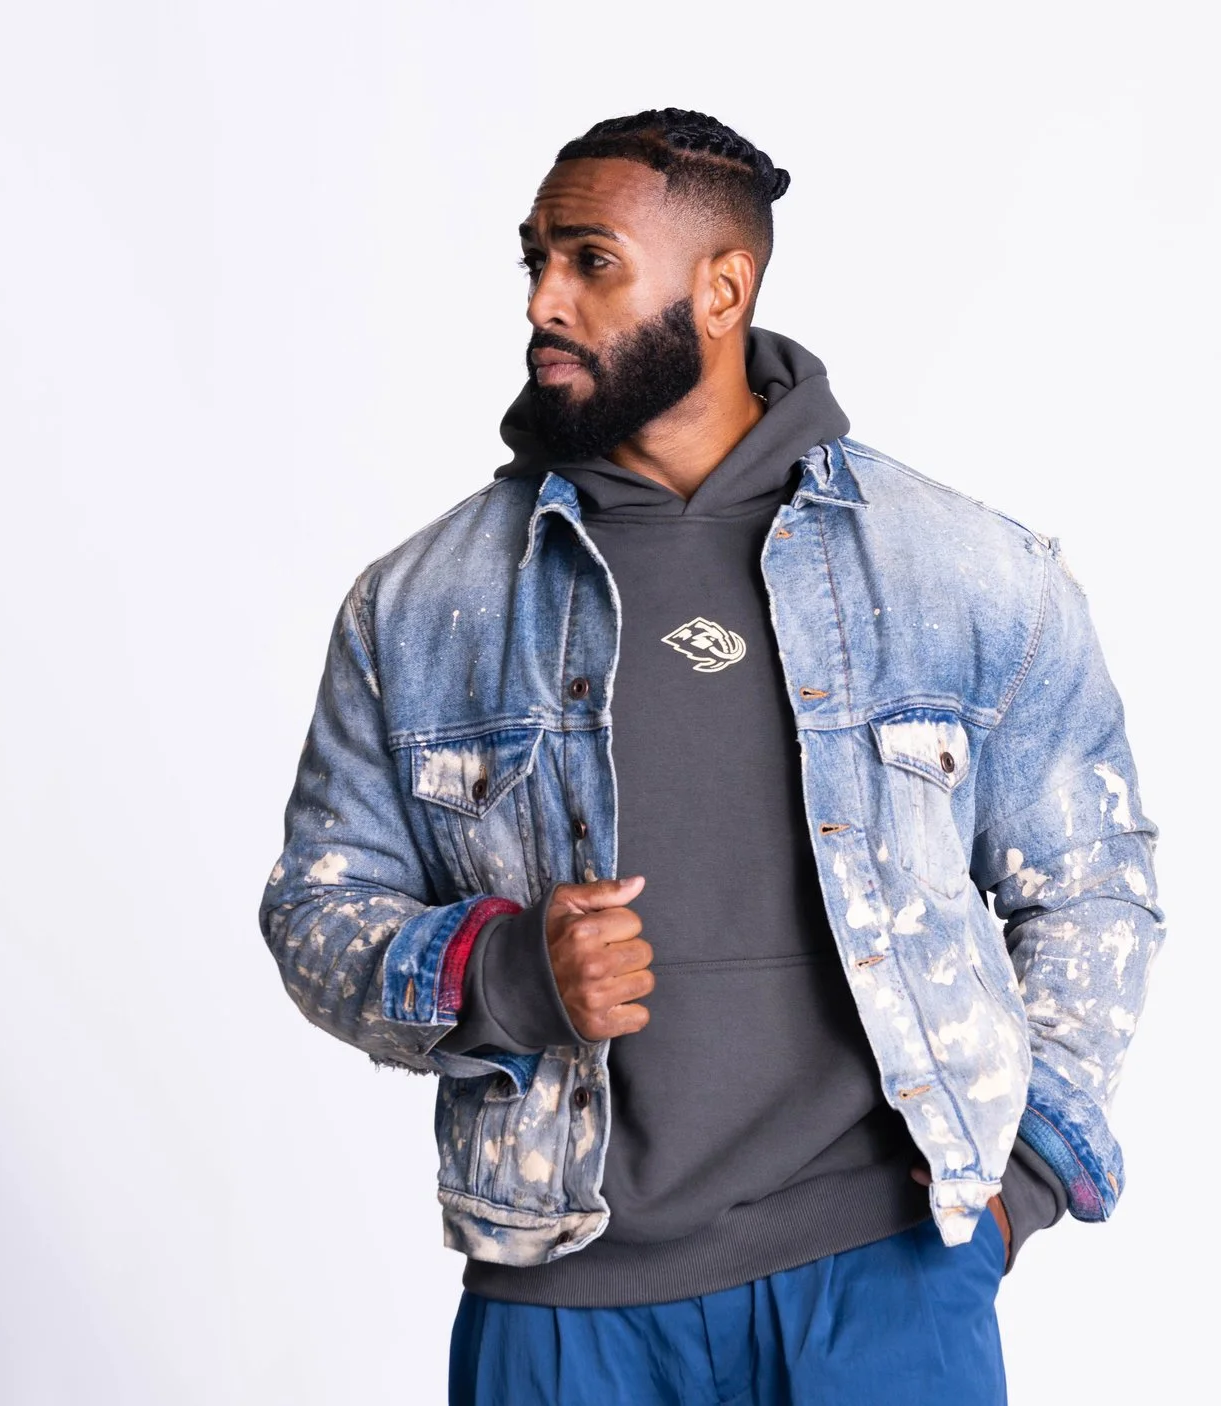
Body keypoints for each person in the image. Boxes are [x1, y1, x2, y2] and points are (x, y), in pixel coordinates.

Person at [259, 108, 1164, 1406]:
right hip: (564, 1305)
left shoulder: (961, 574)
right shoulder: (423, 605)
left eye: (591, 262)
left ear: (723, 289)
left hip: (878, 1277)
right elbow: (317, 908)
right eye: (535, 261)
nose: (543, 301)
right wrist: (505, 970)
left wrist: (1021, 1180)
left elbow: (1092, 881)